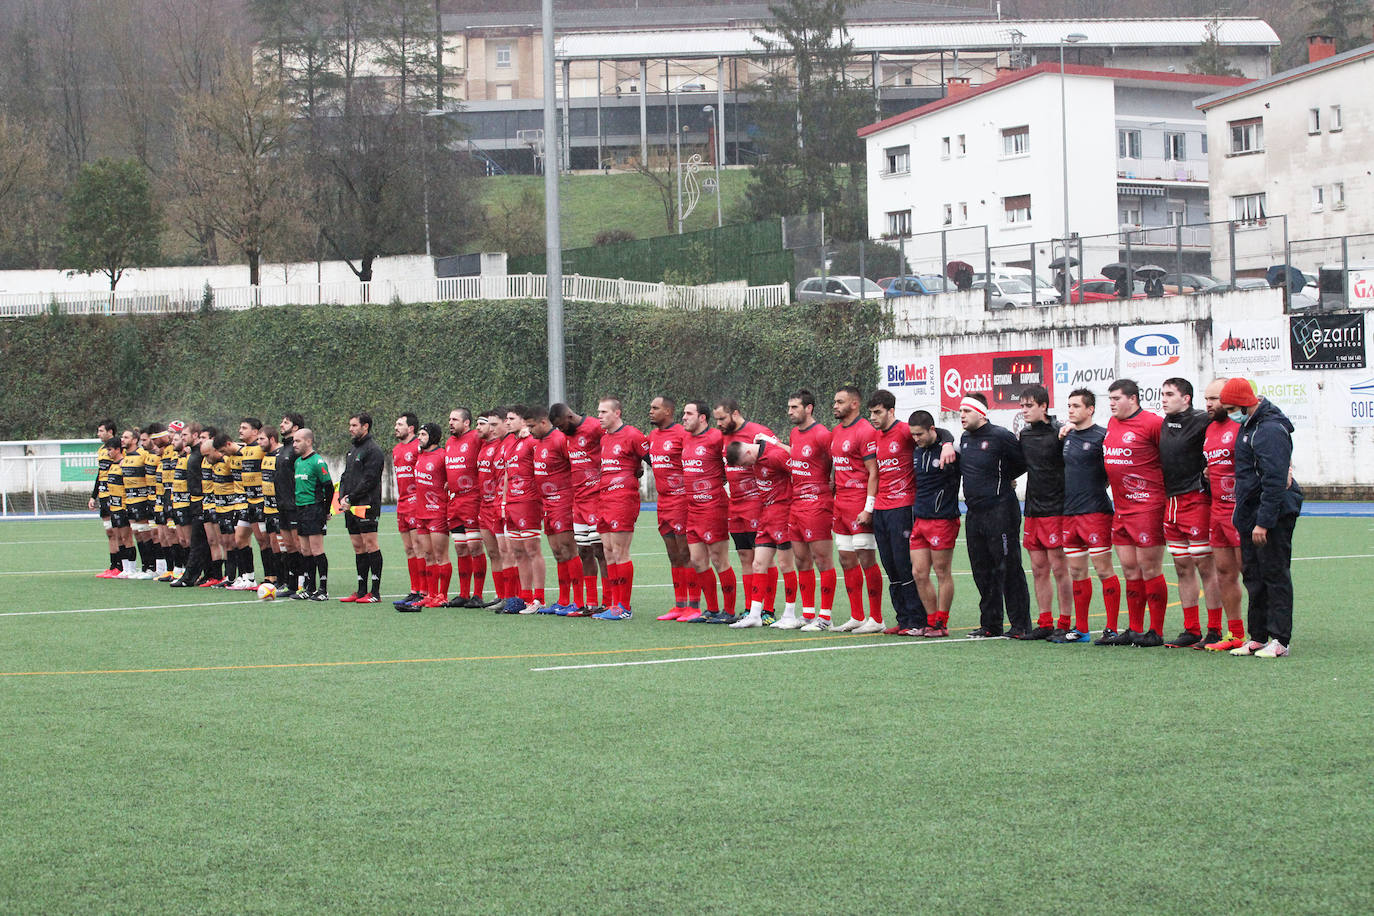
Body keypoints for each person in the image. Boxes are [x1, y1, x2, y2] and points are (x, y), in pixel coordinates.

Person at [1220, 377, 1303, 658]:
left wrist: (1263, 522)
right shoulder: (1248, 426)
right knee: (1253, 576)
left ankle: (1280, 639)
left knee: (1275, 574)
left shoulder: (1268, 429)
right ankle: (1257, 636)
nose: (1229, 413)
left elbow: (1275, 481)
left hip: (1271, 514)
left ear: (1245, 404)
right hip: (1249, 513)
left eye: (1232, 407)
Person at [1096, 379, 1169, 647]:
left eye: (1116, 398)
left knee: (1150, 568)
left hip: (1148, 507)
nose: (1112, 403)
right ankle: (1135, 628)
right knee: (1129, 569)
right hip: (1122, 508)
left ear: (1133, 399)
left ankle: (1156, 631)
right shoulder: (1113, 424)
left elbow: (1171, 456)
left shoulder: (1152, 423)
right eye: (1110, 399)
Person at [955, 393, 1031, 638]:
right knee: (981, 570)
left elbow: (1022, 462)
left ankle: (1020, 625)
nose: (962, 416)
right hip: (974, 513)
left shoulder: (1000, 436)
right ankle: (991, 624)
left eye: (966, 411)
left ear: (980, 413)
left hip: (1000, 511)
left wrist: (1005, 479)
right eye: (960, 412)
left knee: (1008, 567)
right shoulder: (965, 438)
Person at [1057, 389, 1119, 643]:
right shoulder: (1067, 435)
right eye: (1069, 405)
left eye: (1076, 406)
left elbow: (1109, 473)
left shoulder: (1103, 436)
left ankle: (1111, 628)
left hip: (1095, 513)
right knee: (1076, 572)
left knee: (1103, 570)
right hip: (1069, 513)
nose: (1071, 410)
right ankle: (1081, 629)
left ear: (1090, 409)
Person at [1159, 378, 1218, 648]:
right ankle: (1191, 629)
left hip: (1196, 500)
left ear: (1187, 399)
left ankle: (1215, 629)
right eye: (1162, 394)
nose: (1164, 398)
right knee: (1182, 568)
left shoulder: (1203, 420)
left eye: (1170, 394)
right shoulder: (1161, 423)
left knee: (1205, 566)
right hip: (1170, 503)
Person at [867, 389, 924, 636]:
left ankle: (917, 620)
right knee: (889, 566)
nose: (873, 417)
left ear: (891, 411)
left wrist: (947, 444)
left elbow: (934, 436)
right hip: (881, 508)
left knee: (904, 564)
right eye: (871, 413)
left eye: (878, 412)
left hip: (903, 506)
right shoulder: (875, 437)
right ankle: (902, 618)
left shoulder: (904, 431)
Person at [724, 429, 794, 629]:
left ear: (747, 453)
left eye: (745, 464)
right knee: (758, 564)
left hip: (783, 514)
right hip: (766, 515)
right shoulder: (755, 458)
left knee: (784, 564)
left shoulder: (775, 455)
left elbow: (798, 474)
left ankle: (790, 614)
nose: (747, 468)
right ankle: (754, 615)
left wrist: (793, 506)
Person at [1017, 385, 1072, 640]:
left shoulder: (1061, 432)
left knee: (1060, 568)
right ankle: (1045, 622)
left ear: (1043, 407)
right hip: (1032, 510)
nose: (1024, 410)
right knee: (1038, 568)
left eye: (1029, 406)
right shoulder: (1024, 436)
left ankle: (1065, 622)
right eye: (1022, 406)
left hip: (1056, 509)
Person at [829, 386, 884, 633]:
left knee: (865, 557)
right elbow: (836, 468)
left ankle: (877, 619)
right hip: (840, 504)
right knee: (845, 559)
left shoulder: (866, 431)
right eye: (834, 402)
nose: (835, 406)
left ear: (854, 404)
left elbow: (874, 471)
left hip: (860, 503)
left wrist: (869, 507)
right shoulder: (836, 431)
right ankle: (857, 616)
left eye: (839, 402)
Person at [714, 399, 774, 623]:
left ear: (735, 413)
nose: (718, 423)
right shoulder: (723, 438)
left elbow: (776, 459)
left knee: (764, 558)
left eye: (722, 418)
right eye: (716, 419)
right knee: (744, 556)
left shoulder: (758, 432)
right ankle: (751, 608)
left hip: (757, 504)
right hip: (735, 504)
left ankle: (768, 610)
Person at [1200, 378, 1248, 651]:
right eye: (1207, 399)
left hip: (1239, 511)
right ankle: (1235, 633)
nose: (1209, 404)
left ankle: (1261, 633)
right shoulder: (1209, 430)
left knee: (1249, 573)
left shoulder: (1242, 426)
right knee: (1223, 572)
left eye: (1215, 399)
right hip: (1217, 511)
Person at [679, 399, 737, 623]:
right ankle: (711, 610)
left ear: (702, 417)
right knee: (697, 560)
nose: (684, 417)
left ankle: (729, 612)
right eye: (684, 413)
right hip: (692, 508)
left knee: (718, 559)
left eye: (688, 413)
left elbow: (727, 467)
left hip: (713, 507)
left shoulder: (716, 438)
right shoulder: (685, 438)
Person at [785, 390, 838, 631]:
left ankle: (825, 617)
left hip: (818, 504)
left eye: (795, 407)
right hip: (796, 505)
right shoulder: (795, 433)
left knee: (822, 560)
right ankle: (807, 615)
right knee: (800, 560)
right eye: (789, 407)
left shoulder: (822, 434)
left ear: (809, 408)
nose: (790, 412)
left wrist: (833, 483)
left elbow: (839, 459)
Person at [592, 397, 649, 620]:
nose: (599, 416)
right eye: (598, 412)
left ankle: (624, 607)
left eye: (604, 412)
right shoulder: (605, 438)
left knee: (619, 551)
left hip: (623, 499)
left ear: (617, 413)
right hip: (604, 498)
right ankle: (614, 604)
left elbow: (654, 461)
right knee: (607, 551)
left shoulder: (633, 435)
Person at [550, 403, 608, 616]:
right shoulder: (566, 437)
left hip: (597, 498)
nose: (560, 430)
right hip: (579, 501)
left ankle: (609, 602)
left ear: (569, 415)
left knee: (600, 550)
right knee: (584, 551)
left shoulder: (594, 427)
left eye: (560, 425)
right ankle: (591, 603)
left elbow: (614, 445)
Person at [908, 411, 958, 637]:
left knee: (941, 571)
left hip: (943, 520)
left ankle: (941, 623)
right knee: (919, 573)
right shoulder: (917, 451)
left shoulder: (950, 451)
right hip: (920, 520)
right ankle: (930, 621)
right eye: (913, 435)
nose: (916, 438)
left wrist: (948, 442)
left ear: (932, 429)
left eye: (919, 434)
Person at [647, 396, 695, 620]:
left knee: (686, 553)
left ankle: (693, 606)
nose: (651, 411)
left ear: (667, 411)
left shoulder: (682, 434)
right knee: (672, 554)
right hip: (663, 502)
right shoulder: (653, 436)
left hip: (681, 500)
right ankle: (679, 604)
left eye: (655, 408)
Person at [530, 405, 581, 613]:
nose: (530, 431)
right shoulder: (538, 443)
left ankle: (577, 601)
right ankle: (562, 600)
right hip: (547, 505)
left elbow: (576, 466)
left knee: (569, 550)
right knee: (558, 553)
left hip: (563, 502)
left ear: (544, 422)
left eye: (532, 426)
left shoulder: (560, 440)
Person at [502, 405, 546, 614]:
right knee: (517, 552)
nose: (507, 422)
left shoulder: (533, 441)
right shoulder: (509, 442)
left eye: (511, 418)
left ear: (523, 421)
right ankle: (525, 597)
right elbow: (507, 475)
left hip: (528, 502)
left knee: (532, 549)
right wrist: (503, 502)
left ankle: (539, 598)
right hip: (511, 503)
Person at [404, 422, 451, 609]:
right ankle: (431, 595)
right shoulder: (420, 455)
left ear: (432, 437)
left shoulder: (442, 455)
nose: (420, 437)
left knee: (441, 555)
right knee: (428, 555)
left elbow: (451, 478)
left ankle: (443, 596)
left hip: (437, 512)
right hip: (421, 513)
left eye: (423, 434)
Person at [339, 412, 385, 604]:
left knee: (370, 544)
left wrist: (351, 497)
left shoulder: (373, 450)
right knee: (358, 547)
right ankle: (360, 590)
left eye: (354, 425)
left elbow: (369, 480)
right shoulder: (352, 450)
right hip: (350, 505)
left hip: (366, 504)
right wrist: (342, 497)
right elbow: (345, 476)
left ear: (365, 427)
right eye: (350, 425)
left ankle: (375, 592)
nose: (351, 429)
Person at [443, 408, 486, 608]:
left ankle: (478, 595)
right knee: (460, 548)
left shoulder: (476, 437)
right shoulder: (450, 442)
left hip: (472, 499)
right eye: (450, 419)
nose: (450, 422)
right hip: (454, 501)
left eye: (455, 419)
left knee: (475, 547)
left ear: (467, 422)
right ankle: (463, 593)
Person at [476, 411, 516, 610]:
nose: (490, 428)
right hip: (486, 505)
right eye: (488, 424)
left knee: (509, 552)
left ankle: (515, 596)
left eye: (493, 424)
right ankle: (503, 595)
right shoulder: (485, 447)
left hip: (502, 504)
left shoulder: (507, 444)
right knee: (494, 552)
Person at [291, 428, 332, 600]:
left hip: (314, 509)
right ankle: (309, 587)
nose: (294, 444)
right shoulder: (298, 462)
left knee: (316, 550)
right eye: (293, 441)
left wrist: (325, 510)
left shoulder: (318, 462)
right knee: (305, 550)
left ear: (308, 441)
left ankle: (323, 590)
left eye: (298, 441)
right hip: (300, 509)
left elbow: (328, 486)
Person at [391, 413, 425, 608]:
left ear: (411, 428)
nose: (396, 427)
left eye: (400, 424)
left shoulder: (418, 447)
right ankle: (414, 590)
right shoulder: (396, 449)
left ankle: (423, 590)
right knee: (408, 549)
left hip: (415, 503)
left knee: (418, 547)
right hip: (402, 503)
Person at [91, 419, 122, 577]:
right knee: (109, 531)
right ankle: (113, 565)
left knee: (118, 531)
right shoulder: (101, 450)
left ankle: (122, 565)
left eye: (101, 431)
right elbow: (99, 474)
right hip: (103, 495)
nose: (99, 434)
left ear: (110, 432)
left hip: (114, 494)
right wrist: (93, 496)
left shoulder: (117, 450)